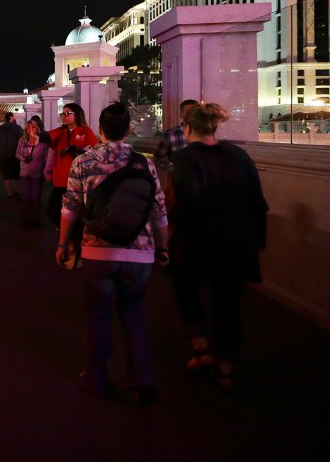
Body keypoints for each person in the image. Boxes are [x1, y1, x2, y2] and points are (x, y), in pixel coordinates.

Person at [55, 102, 169, 405]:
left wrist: (63, 243)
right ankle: (141, 379)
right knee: (133, 313)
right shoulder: (145, 164)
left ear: (101, 130)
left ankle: (97, 377)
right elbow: (160, 212)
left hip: (98, 251)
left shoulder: (84, 162)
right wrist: (163, 247)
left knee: (99, 314)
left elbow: (71, 207)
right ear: (128, 130)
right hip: (140, 253)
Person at [170, 102, 268, 393]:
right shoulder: (239, 155)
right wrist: (257, 241)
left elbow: (187, 202)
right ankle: (226, 368)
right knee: (228, 305)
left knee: (185, 289)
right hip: (237, 243)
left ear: (188, 128)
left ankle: (202, 351)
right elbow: (257, 203)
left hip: (199, 242)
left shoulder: (185, 158)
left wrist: (167, 229)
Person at [44, 102, 99, 259]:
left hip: (77, 181)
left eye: (67, 113)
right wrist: (36, 136)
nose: (64, 116)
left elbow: (94, 151)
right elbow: (48, 141)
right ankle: (69, 238)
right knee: (53, 211)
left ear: (77, 115)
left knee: (74, 212)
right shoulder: (60, 132)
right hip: (60, 180)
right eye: (63, 113)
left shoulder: (85, 131)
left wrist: (78, 152)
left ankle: (72, 242)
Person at [15, 117, 49, 227]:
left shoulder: (42, 142)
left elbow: (45, 157)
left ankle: (35, 219)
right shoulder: (22, 140)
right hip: (25, 172)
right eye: (28, 127)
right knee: (26, 197)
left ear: (37, 128)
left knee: (35, 198)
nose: (30, 129)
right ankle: (25, 218)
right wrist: (23, 159)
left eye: (33, 127)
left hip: (37, 172)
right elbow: (17, 153)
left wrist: (47, 171)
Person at [153, 99, 199, 172]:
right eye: (188, 111)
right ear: (181, 114)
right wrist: (174, 168)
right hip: (179, 179)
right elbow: (159, 157)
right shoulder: (171, 134)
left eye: (195, 111)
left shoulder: (204, 134)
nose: (192, 114)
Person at [0, 112, 23, 200]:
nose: (15, 118)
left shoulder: (1, 128)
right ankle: (17, 191)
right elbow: (21, 140)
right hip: (15, 154)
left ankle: (9, 193)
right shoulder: (17, 127)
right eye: (14, 117)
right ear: (11, 117)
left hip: (4, 155)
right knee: (17, 174)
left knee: (6, 175)